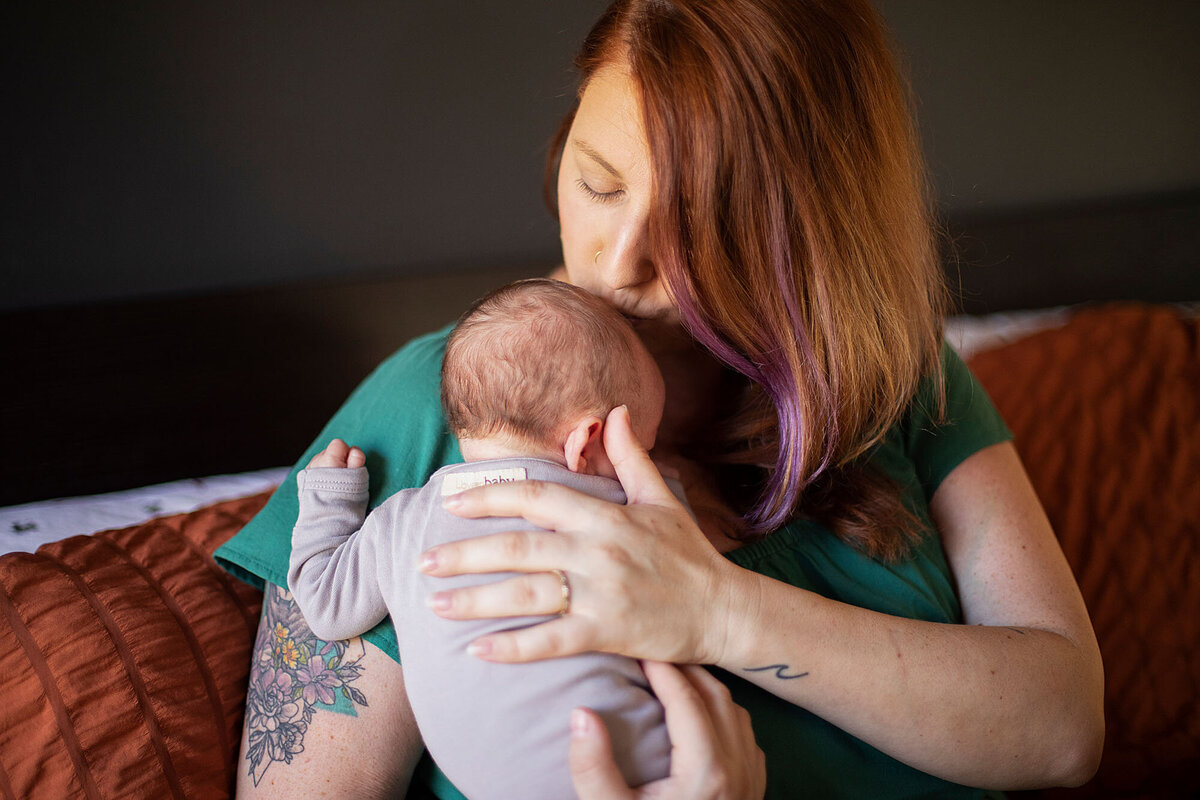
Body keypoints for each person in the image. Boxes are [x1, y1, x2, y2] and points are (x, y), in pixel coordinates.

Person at [218, 1, 1104, 798]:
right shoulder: (434, 409)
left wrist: (719, 610)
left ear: (812, 231)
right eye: (600, 182)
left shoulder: (888, 370)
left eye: (699, 230)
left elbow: (1063, 731)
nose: (617, 263)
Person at [286, 279, 681, 799]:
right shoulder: (619, 508)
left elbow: (326, 604)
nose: (649, 465)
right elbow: (688, 570)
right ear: (585, 444)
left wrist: (327, 502)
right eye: (644, 446)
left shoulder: (401, 521)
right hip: (646, 766)